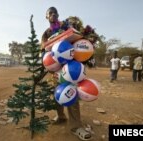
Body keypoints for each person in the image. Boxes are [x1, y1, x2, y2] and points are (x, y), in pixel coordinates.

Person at [41, 7, 92, 140]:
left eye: (55, 13)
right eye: (50, 14)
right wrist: (49, 65)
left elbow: (76, 40)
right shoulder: (46, 33)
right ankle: (61, 116)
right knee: (58, 93)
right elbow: (43, 51)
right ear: (46, 17)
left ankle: (76, 126)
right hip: (55, 68)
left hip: (70, 67)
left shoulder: (66, 26)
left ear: (58, 15)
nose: (53, 15)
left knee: (71, 94)